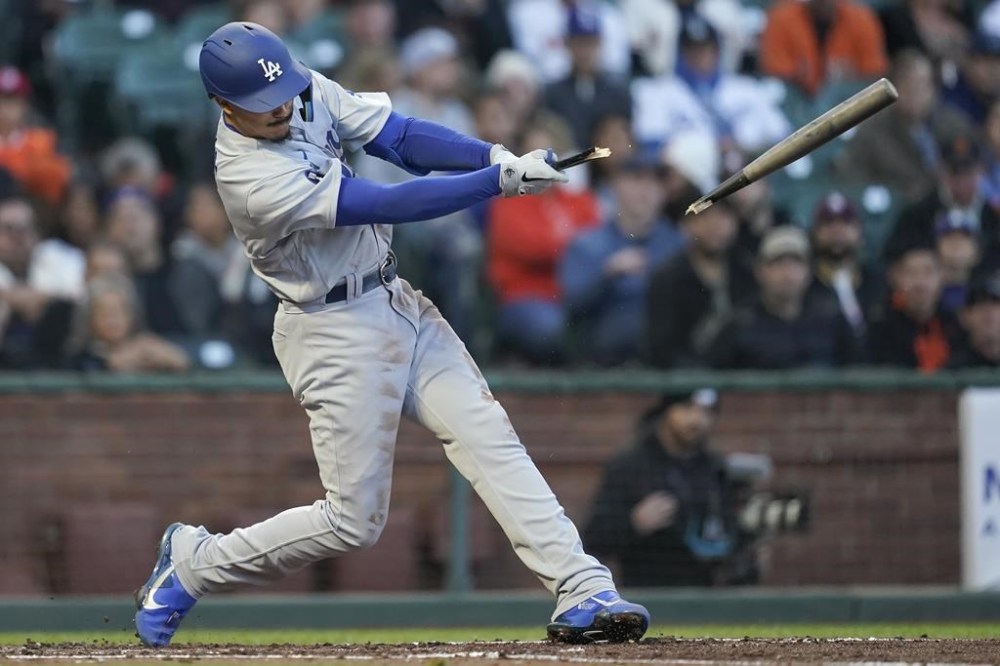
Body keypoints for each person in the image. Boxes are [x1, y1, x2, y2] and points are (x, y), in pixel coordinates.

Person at [133, 22, 649, 648]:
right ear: (224, 105)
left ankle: (582, 586)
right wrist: (498, 184)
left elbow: (399, 137)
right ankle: (195, 562)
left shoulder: (299, 87)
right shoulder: (248, 177)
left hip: (394, 297)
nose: (284, 109)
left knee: (489, 435)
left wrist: (492, 155)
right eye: (263, 107)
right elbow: (382, 202)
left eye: (285, 94)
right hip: (331, 330)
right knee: (353, 521)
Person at [583, 389, 762, 587]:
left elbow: (729, 540)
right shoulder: (631, 466)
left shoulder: (715, 468)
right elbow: (594, 539)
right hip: (647, 593)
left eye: (707, 411)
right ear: (666, 410)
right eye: (686, 408)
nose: (696, 419)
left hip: (706, 595)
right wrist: (634, 523)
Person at [559, 151, 685, 366]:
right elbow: (570, 304)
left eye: (655, 181)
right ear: (616, 186)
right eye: (636, 179)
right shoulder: (587, 243)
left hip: (666, 359)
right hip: (601, 360)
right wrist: (607, 273)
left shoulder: (679, 245)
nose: (646, 189)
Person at [706, 226, 858, 369]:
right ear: (760, 271)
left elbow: (858, 371)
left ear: (809, 271)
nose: (787, 272)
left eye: (796, 262)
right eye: (777, 263)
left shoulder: (832, 319)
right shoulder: (739, 323)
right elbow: (708, 374)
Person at [543, 6, 632, 150]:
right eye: (579, 43)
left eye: (590, 43)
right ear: (567, 44)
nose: (584, 51)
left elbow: (627, 143)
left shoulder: (618, 93)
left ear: (599, 43)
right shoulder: (552, 94)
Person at [867, 240, 963, 370]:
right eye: (911, 273)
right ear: (895, 277)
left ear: (942, 276)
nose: (920, 283)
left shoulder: (956, 325)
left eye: (928, 272)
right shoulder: (879, 327)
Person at [760, 0, 888, 97]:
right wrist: (800, 76)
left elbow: (874, 74)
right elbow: (774, 74)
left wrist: (849, 78)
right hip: (795, 103)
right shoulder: (782, 18)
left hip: (846, 102)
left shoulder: (861, 20)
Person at [805, 191, 884, 340]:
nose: (837, 230)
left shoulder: (877, 280)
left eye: (846, 222)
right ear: (814, 233)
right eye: (828, 223)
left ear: (860, 231)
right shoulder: (805, 283)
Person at [949, 270, 1000, 367]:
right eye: (979, 303)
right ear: (964, 316)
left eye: (995, 302)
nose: (987, 310)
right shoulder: (954, 370)